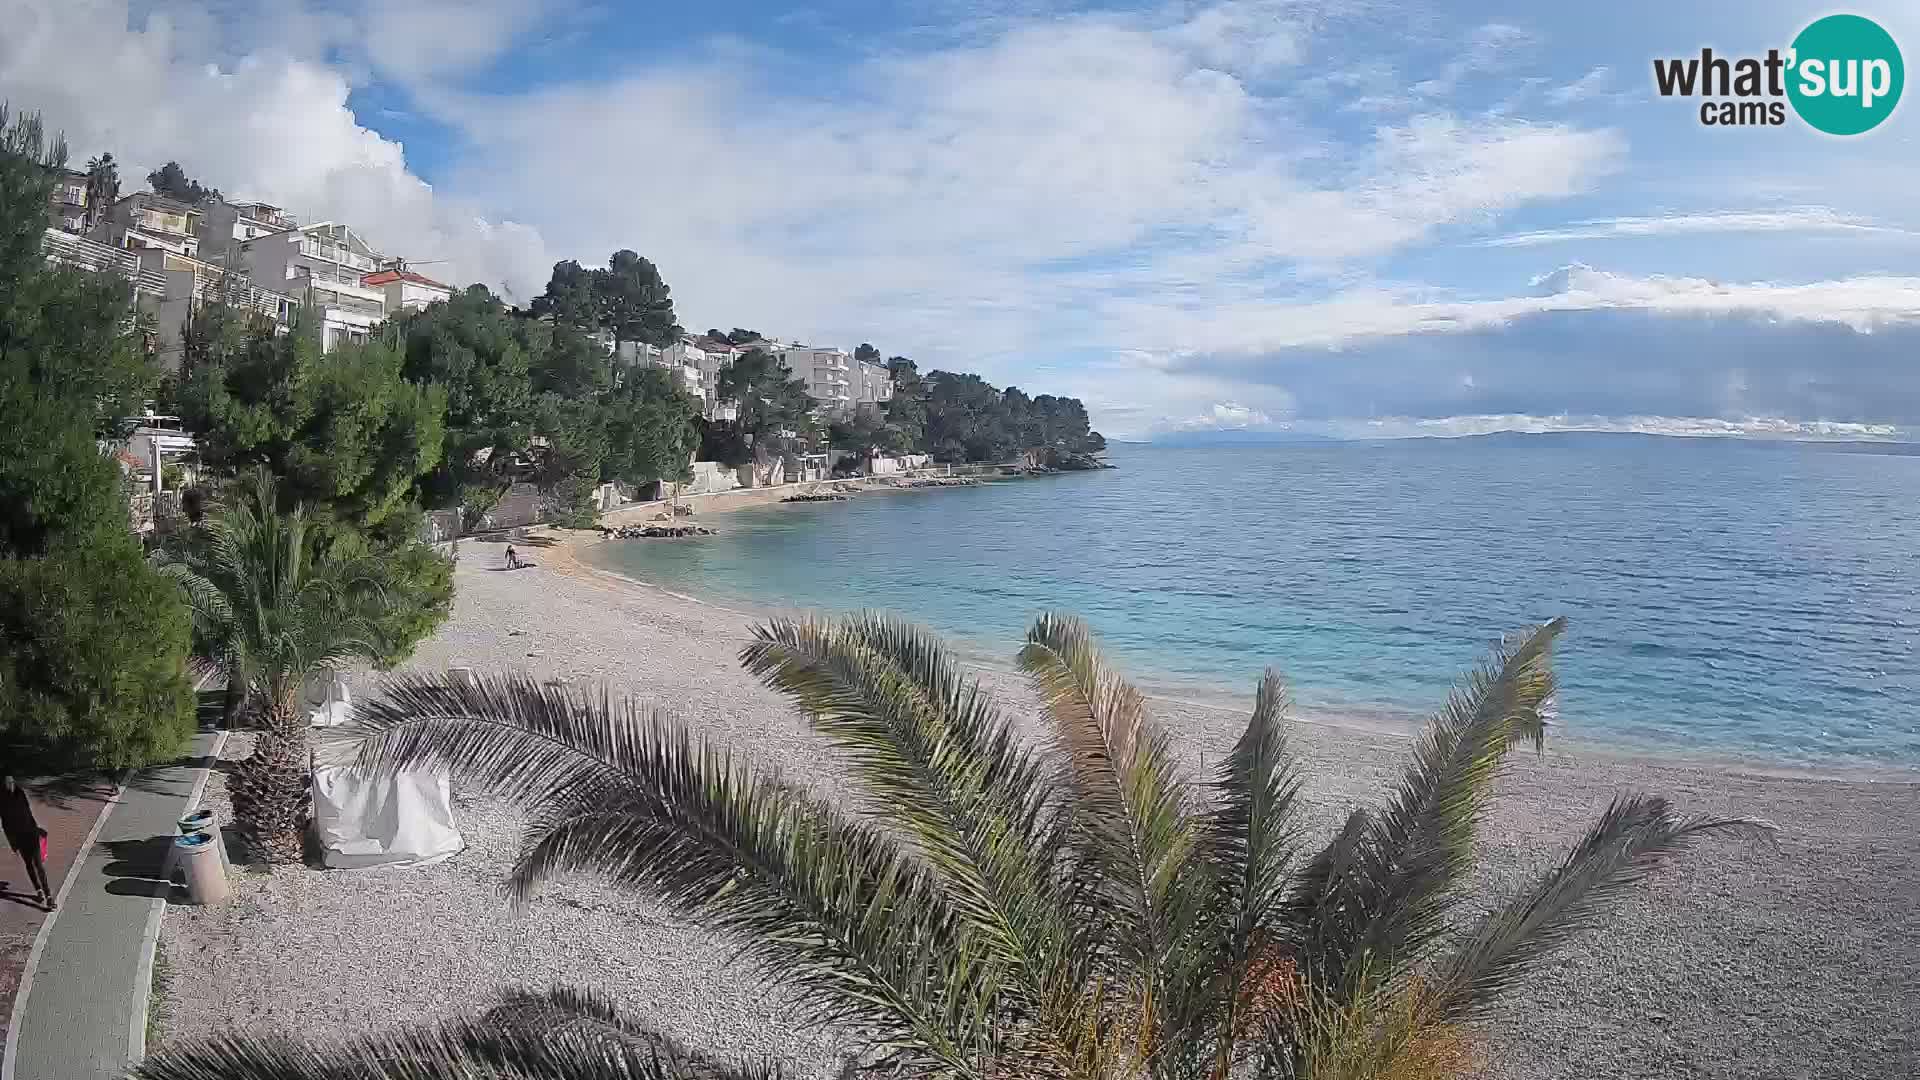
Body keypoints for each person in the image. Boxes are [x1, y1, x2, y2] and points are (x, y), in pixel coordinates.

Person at [0, 776, 51, 909]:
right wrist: (13, 843)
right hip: (19, 837)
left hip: (31, 833)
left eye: (11, 782)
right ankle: (38, 889)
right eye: (7, 783)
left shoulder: (20, 793)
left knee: (39, 865)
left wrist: (37, 829)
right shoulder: (2, 800)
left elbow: (28, 813)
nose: (10, 785)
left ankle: (48, 895)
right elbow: (5, 824)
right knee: (29, 864)